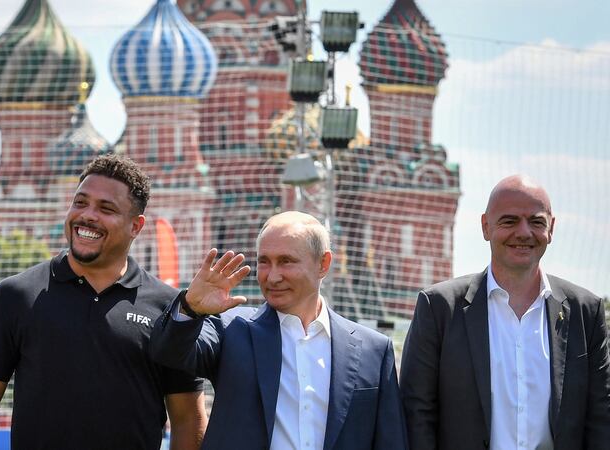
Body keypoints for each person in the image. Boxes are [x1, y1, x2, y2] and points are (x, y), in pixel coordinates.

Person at [0, 155, 207, 450]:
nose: (87, 215)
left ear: (136, 226)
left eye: (106, 208)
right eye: (80, 203)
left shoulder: (169, 309)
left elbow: (188, 420)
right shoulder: (13, 296)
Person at [150, 211, 408, 450]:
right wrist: (190, 309)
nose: (272, 277)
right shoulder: (230, 329)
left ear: (323, 264)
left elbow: (390, 440)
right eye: (264, 262)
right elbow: (170, 353)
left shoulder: (373, 349)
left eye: (286, 261)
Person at [400, 174, 610, 450]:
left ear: (551, 228)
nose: (523, 232)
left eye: (536, 221)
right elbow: (416, 415)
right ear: (486, 227)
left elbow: (601, 420)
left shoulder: (586, 312)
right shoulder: (439, 308)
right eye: (509, 221)